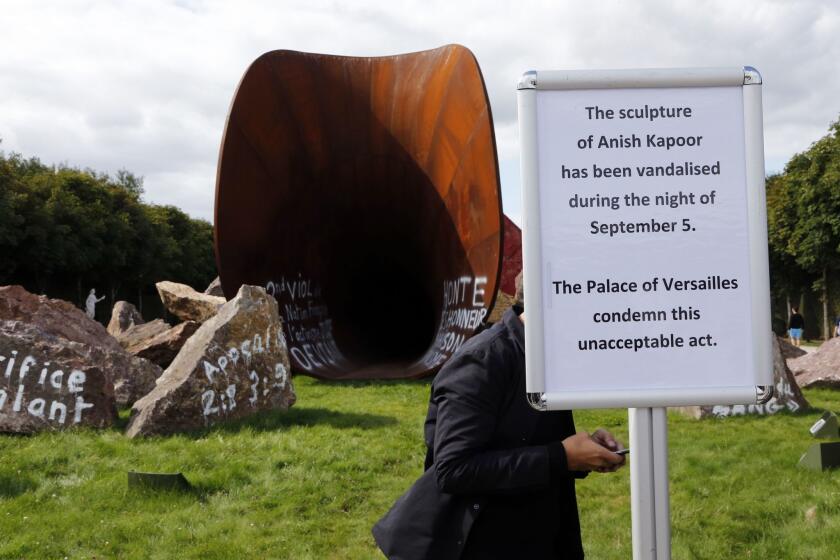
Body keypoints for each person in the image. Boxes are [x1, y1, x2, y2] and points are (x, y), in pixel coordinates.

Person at [373, 275, 626, 559]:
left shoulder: (540, 355)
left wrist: (585, 452)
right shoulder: (481, 361)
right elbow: (454, 469)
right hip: (477, 543)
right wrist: (562, 457)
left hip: (533, 533)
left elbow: (533, 440)